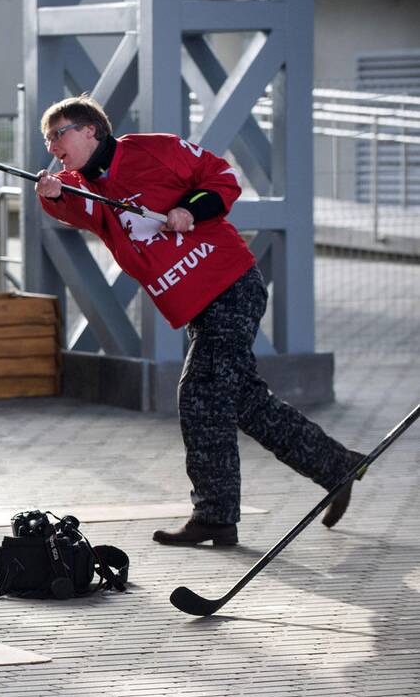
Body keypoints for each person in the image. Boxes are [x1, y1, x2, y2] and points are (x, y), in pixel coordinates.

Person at [33, 95, 364, 546]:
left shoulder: (152, 149)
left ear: (90, 129)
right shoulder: (81, 185)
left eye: (58, 134)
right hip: (197, 306)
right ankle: (336, 465)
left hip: (230, 283)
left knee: (200, 392)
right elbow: (78, 211)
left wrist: (189, 209)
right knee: (241, 400)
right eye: (47, 139)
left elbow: (222, 179)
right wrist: (53, 196)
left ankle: (215, 515)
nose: (52, 146)